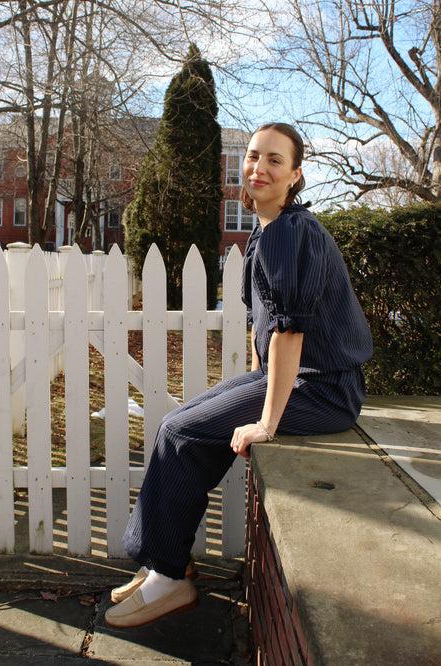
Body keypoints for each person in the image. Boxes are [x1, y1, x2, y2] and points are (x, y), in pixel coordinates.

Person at [105, 122, 372, 628]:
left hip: (325, 389)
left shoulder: (292, 234)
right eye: (253, 157)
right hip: (299, 380)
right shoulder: (266, 231)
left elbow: (289, 334)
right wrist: (250, 388)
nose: (259, 168)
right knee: (181, 421)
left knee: (179, 431)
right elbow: (264, 329)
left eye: (275, 160)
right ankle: (165, 562)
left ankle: (168, 578)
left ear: (296, 174)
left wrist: (265, 423)